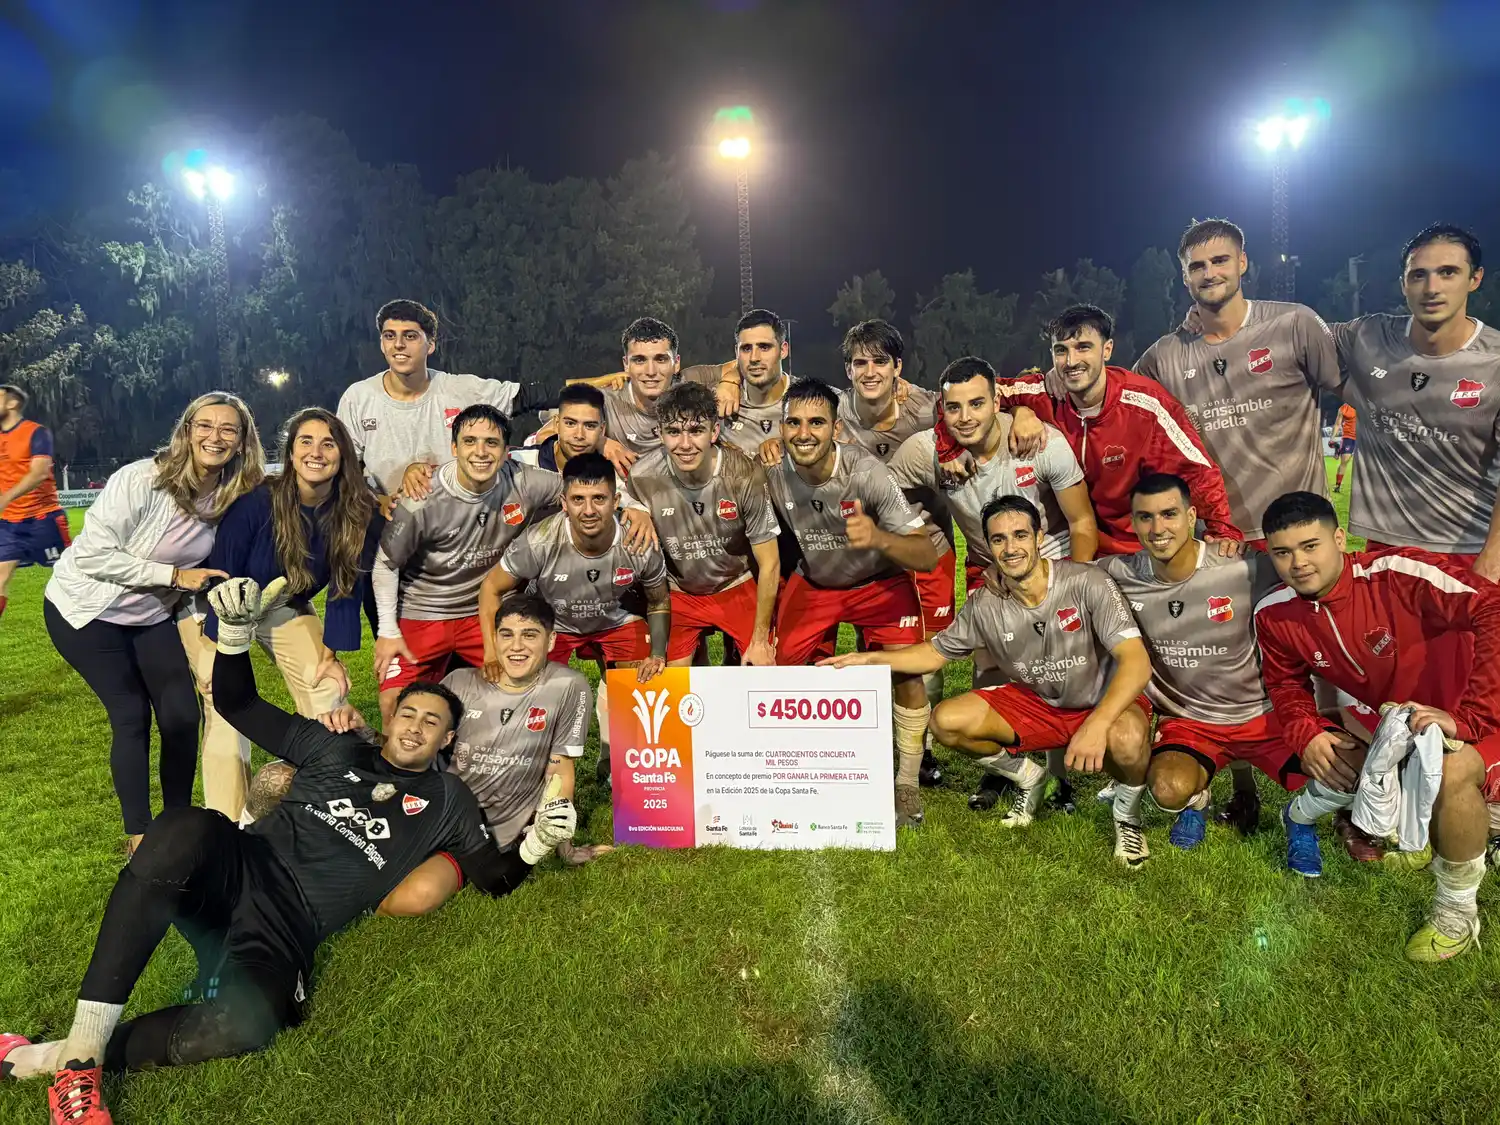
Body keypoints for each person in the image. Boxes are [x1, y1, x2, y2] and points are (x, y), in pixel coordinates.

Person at [0, 576, 574, 1124]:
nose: (416, 727)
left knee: (245, 1026)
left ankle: (55, 1055)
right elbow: (237, 702)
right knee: (181, 828)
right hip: (243, 868)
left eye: (433, 723)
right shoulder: (337, 748)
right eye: (409, 714)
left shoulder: (449, 799)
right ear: (390, 717)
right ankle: (79, 1071)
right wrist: (232, 638)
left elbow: (492, 878)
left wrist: (535, 845)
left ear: (448, 739)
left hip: (288, 925)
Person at [821, 495, 1155, 866]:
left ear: (1039, 537)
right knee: (947, 722)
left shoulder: (1086, 581)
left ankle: (1128, 818)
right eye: (998, 540)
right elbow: (934, 653)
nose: (1011, 548)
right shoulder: (985, 602)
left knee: (1126, 740)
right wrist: (869, 657)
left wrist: (1098, 723)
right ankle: (1029, 777)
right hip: (1040, 703)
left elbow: (1137, 663)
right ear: (988, 547)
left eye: (1020, 535)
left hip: (1100, 701)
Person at [1255, 491, 1500, 961]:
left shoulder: (1397, 574)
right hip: (1412, 723)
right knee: (1340, 754)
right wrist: (1305, 732)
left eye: (1311, 546)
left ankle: (1456, 910)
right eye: (1282, 552)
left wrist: (1471, 716)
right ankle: (1422, 828)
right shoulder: (1275, 614)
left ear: (1340, 539)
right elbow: (1284, 686)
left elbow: (1492, 607)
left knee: (1451, 774)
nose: (1298, 563)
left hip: (1482, 713)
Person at [42, 393, 264, 853]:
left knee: (182, 715)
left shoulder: (234, 493)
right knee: (131, 714)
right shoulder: (142, 479)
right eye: (205, 426)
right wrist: (174, 575)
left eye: (228, 429)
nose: (215, 437)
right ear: (187, 430)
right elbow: (93, 555)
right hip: (86, 612)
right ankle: (140, 834)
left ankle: (176, 823)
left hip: (149, 616)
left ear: (242, 442)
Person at [887, 354, 1099, 804]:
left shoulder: (1039, 440)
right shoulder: (927, 451)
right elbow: (882, 492)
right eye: (954, 408)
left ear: (997, 400)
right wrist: (923, 527)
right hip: (989, 568)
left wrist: (1072, 587)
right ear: (941, 410)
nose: (966, 418)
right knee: (989, 667)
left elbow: (1081, 521)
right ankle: (1008, 771)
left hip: (1051, 558)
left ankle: (1060, 777)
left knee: (1055, 669)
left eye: (977, 404)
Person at [1098, 475, 1314, 867]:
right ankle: (1198, 800)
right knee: (1166, 789)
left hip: (1262, 717)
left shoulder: (1244, 566)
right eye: (1145, 517)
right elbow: (1058, 581)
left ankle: (1297, 817)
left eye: (1169, 514)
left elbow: (1309, 576)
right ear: (1132, 522)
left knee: (1337, 777)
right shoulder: (1118, 574)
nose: (1158, 528)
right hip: (1191, 721)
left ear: (1192, 515)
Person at [179, 407, 382, 822]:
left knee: (326, 689)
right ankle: (228, 825)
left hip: (283, 605)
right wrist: (220, 651)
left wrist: (331, 652)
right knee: (224, 707)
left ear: (343, 455)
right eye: (305, 442)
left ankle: (332, 803)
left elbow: (347, 586)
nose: (316, 452)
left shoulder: (356, 510)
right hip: (221, 608)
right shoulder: (258, 502)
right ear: (290, 454)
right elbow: (223, 573)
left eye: (328, 443)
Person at [766, 378, 940, 828]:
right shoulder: (768, 473)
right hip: (817, 583)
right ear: (780, 429)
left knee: (906, 670)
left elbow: (925, 553)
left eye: (816, 423)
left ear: (836, 428)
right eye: (793, 423)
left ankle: (905, 783)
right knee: (780, 672)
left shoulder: (866, 473)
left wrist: (879, 537)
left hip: (878, 583)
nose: (804, 433)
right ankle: (809, 770)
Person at [951, 305, 1241, 555]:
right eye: (1060, 351)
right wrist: (1017, 411)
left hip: (1138, 550)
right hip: (1070, 547)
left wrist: (1223, 530)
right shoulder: (1043, 393)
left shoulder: (1146, 405)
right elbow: (958, 396)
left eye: (1083, 347)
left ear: (1107, 349)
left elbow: (1198, 471)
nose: (1071, 361)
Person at [1134, 218, 1341, 543]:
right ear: (1185, 277)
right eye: (1197, 266)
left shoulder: (1294, 323)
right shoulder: (1164, 356)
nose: (1210, 273)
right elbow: (1109, 398)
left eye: (1220, 261)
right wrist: (1028, 408)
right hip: (1216, 541)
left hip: (1301, 535)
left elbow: (1357, 388)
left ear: (1242, 262)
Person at [478, 452, 671, 787]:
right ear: (564, 503)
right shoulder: (539, 540)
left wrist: (657, 653)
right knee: (531, 690)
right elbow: (490, 589)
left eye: (599, 499)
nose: (589, 510)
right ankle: (530, 769)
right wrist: (493, 651)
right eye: (578, 500)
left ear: (616, 500)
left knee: (645, 680)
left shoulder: (638, 542)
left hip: (616, 619)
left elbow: (658, 601)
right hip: (556, 622)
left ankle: (624, 765)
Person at [372, 404, 561, 724]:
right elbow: (385, 564)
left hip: (484, 612)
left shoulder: (523, 481)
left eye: (492, 443)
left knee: (527, 694)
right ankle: (409, 773)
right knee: (395, 706)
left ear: (506, 451)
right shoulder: (422, 496)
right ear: (454, 447)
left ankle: (518, 768)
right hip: (424, 612)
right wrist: (388, 631)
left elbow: (584, 492)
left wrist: (633, 506)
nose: (481, 452)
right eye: (470, 441)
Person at [1331, 224, 1500, 580]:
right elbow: (1291, 334)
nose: (1432, 288)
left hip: (1469, 553)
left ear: (1475, 278)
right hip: (1384, 550)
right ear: (1404, 283)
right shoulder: (1369, 336)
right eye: (1419, 275)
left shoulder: (1495, 362)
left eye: (1448, 272)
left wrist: (1494, 556)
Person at [618, 381, 781, 667]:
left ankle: (740, 650)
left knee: (763, 670)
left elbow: (770, 563)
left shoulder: (743, 474)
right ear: (660, 433)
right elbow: (619, 505)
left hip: (736, 585)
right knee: (667, 683)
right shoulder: (643, 477)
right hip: (681, 592)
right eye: (673, 432)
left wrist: (759, 639)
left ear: (714, 431)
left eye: (696, 431)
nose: (684, 444)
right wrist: (634, 507)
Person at [336, 299, 522, 510]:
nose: (398, 344)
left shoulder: (460, 389)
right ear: (381, 343)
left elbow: (524, 396)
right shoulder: (358, 398)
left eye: (410, 336)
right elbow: (345, 470)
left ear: (431, 344)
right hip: (391, 525)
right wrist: (379, 501)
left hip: (457, 522)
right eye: (389, 336)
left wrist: (562, 406)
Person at [592, 317, 725, 476]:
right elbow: (559, 426)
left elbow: (742, 365)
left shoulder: (690, 383)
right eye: (639, 360)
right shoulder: (605, 401)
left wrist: (731, 382)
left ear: (676, 363)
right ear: (626, 364)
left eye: (660, 359)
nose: (650, 371)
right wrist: (600, 441)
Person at [0, 383, 69, 621]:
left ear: (12, 402)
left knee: (71, 575)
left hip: (44, 518)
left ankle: (98, 623)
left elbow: (39, 473)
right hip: (9, 524)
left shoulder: (36, 432)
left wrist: (5, 498)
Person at [713, 308, 797, 458]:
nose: (754, 358)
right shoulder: (717, 401)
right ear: (736, 353)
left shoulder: (813, 401)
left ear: (783, 350)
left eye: (764, 347)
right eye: (746, 348)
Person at [518, 383, 609, 472]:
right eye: (570, 423)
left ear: (602, 430)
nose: (579, 435)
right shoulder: (516, 466)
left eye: (589, 426)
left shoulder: (619, 478)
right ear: (557, 424)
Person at [1332, 404, 1357, 493]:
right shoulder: (1343, 408)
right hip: (1349, 437)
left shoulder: (1365, 403)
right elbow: (1337, 424)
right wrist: (1332, 438)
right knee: (1344, 461)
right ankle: (1337, 485)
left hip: (1363, 437)